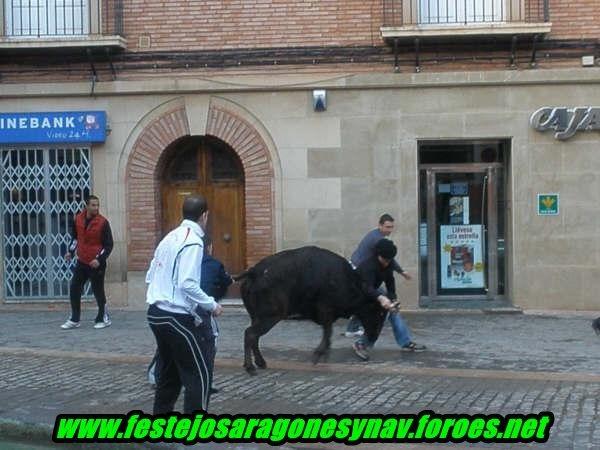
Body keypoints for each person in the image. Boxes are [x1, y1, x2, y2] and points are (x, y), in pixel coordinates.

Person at [146, 195, 223, 413]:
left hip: (155, 313)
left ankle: (161, 418)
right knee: (199, 372)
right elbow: (187, 282)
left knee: (170, 371)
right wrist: (211, 305)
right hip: (176, 316)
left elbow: (151, 274)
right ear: (204, 216)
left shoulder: (170, 237)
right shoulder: (193, 241)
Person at [147, 234, 233, 394]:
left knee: (168, 344)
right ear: (210, 248)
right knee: (210, 338)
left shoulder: (181, 261)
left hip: (176, 309)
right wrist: (213, 304)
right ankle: (202, 379)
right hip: (194, 309)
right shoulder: (212, 264)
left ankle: (156, 375)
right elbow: (193, 285)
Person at [352, 239, 425, 361]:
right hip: (358, 294)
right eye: (384, 260)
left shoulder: (388, 263)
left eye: (389, 260)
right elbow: (366, 288)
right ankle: (361, 343)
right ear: (378, 255)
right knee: (382, 315)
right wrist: (381, 298)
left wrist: (393, 299)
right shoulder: (368, 266)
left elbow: (390, 282)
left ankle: (405, 342)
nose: (387, 263)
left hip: (373, 292)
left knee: (393, 312)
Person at [345, 213, 411, 337]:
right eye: (387, 227)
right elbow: (389, 258)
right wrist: (401, 271)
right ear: (379, 225)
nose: (390, 230)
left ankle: (353, 328)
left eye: (391, 227)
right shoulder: (378, 239)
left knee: (367, 298)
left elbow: (387, 260)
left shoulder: (376, 234)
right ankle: (356, 329)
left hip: (358, 269)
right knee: (375, 295)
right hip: (357, 270)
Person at [61, 195, 114, 330]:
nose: (96, 208)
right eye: (93, 205)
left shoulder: (103, 222)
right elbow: (75, 238)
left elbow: (109, 245)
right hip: (82, 261)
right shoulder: (78, 219)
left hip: (96, 263)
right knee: (74, 288)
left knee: (98, 290)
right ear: (86, 206)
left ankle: (103, 317)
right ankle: (75, 318)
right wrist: (70, 252)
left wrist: (99, 259)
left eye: (97, 205)